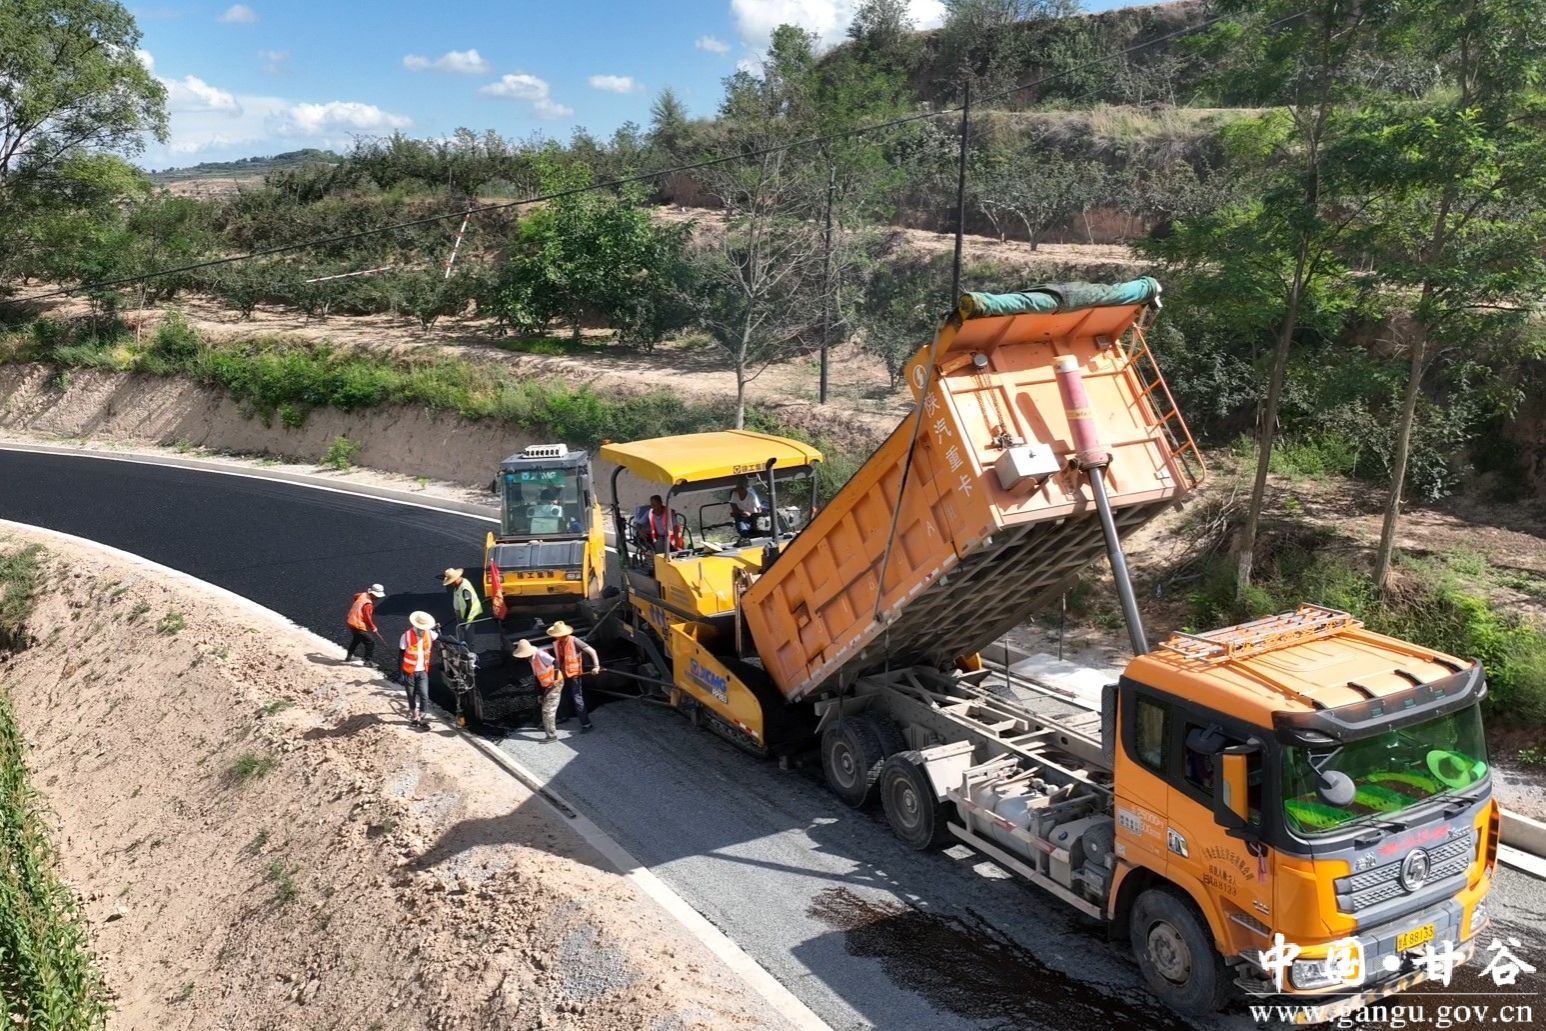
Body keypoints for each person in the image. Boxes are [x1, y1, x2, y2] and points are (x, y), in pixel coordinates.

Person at [548, 620, 600, 732]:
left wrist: (596, 666)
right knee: (563, 695)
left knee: (577, 698)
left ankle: (586, 724)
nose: (555, 637)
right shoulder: (558, 643)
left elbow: (592, 651)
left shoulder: (574, 641)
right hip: (563, 674)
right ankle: (564, 716)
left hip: (574, 675)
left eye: (556, 635)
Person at [513, 638, 562, 742]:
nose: (524, 657)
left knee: (548, 710)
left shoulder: (540, 654)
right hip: (547, 685)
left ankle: (552, 736)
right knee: (544, 704)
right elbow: (537, 678)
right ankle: (546, 725)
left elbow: (556, 663)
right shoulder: (531, 660)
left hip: (556, 683)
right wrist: (540, 694)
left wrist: (555, 678)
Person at [398, 610, 439, 727]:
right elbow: (400, 655)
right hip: (409, 672)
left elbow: (441, 638)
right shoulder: (406, 636)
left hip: (422, 671)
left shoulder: (429, 633)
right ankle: (414, 715)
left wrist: (458, 642)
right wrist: (400, 673)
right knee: (411, 695)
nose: (423, 631)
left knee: (424, 695)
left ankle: (422, 716)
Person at [344, 583, 386, 665]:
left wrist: (357, 606)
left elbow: (355, 595)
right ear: (372, 594)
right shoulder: (368, 604)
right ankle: (368, 661)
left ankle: (349, 657)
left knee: (356, 640)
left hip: (351, 621)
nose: (378, 598)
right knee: (370, 642)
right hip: (357, 624)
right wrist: (373, 627)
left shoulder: (362, 595)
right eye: (377, 596)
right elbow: (367, 618)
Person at [441, 567, 484, 635]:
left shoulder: (465, 589)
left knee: (468, 632)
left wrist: (465, 618)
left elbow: (469, 605)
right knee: (463, 628)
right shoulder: (459, 584)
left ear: (455, 580)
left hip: (468, 615)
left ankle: (468, 640)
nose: (451, 584)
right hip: (461, 612)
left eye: (451, 582)